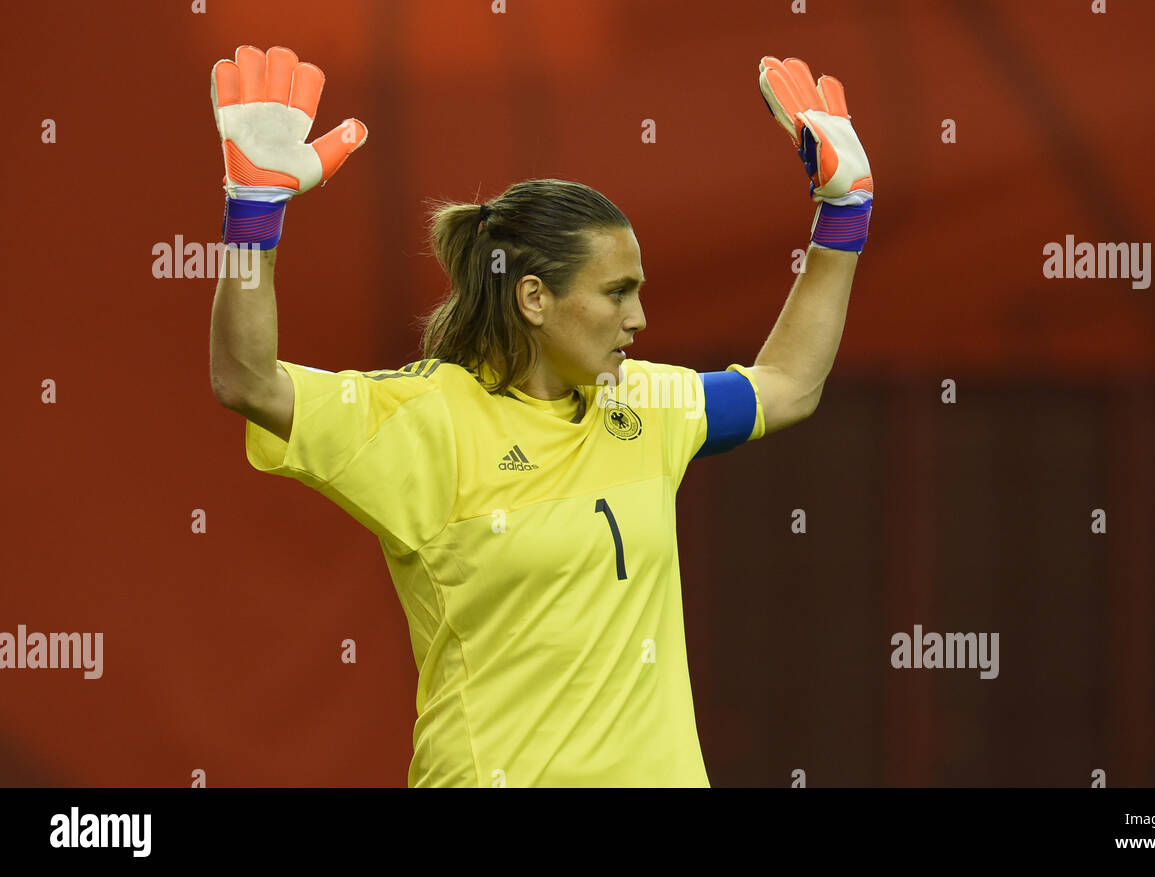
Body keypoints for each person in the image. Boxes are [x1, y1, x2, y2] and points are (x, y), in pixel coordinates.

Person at [209, 46, 873, 787]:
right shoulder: (427, 420)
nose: (640, 317)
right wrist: (253, 219)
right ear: (533, 298)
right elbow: (246, 379)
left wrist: (842, 216)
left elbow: (789, 382)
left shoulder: (645, 404)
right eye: (617, 292)